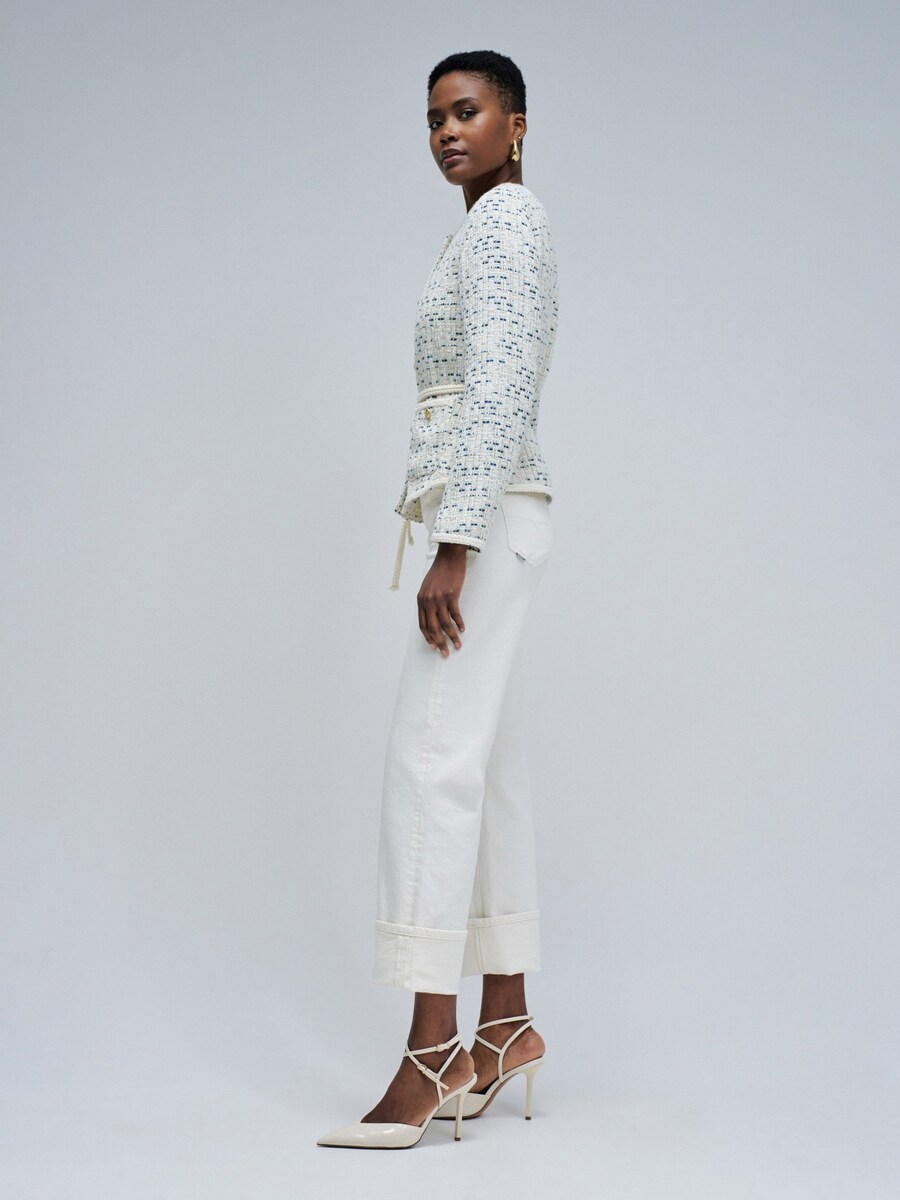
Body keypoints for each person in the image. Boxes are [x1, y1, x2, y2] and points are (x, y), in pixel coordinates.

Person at [317, 49, 559, 1150]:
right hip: (498, 514)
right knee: (486, 769)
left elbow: (501, 386)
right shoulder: (486, 227)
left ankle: (430, 1048)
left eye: (467, 112)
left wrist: (453, 544)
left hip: (485, 521)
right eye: (433, 119)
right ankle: (505, 1025)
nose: (447, 132)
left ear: (516, 124)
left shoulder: (505, 222)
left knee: (428, 765)